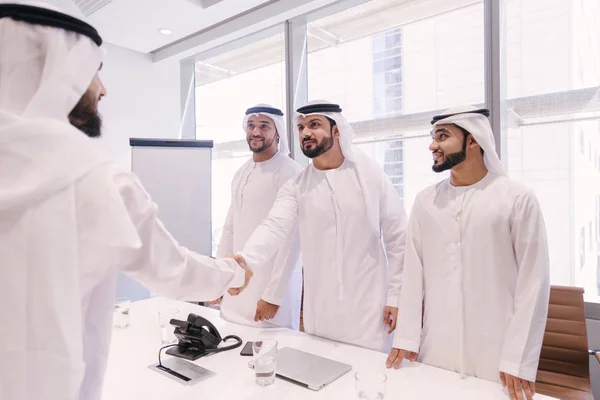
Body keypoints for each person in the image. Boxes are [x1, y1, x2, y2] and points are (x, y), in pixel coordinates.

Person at [0, 4, 251, 400]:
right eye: (93, 70)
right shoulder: (90, 174)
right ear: (56, 67)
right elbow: (172, 269)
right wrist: (232, 273)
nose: (102, 88)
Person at [386, 105, 550, 400]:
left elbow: (533, 282)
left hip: (496, 353)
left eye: (442, 136)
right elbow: (412, 273)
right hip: (437, 346)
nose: (432, 145)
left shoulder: (515, 198)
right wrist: (407, 337)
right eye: (434, 137)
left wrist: (517, 359)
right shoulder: (425, 202)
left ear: (473, 140)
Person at [230, 100, 408, 352]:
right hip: (319, 314)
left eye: (314, 125)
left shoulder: (370, 175)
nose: (306, 133)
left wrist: (396, 296)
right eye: (301, 127)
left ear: (337, 131)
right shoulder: (297, 185)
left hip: (369, 311)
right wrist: (246, 261)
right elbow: (274, 227)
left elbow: (398, 238)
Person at [212, 104, 302, 329]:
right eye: (251, 126)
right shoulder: (241, 172)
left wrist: (274, 295)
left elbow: (292, 239)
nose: (256, 132)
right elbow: (230, 228)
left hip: (268, 288)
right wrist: (218, 279)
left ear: (278, 132)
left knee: (271, 355)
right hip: (237, 284)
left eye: (264, 126)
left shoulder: (291, 172)